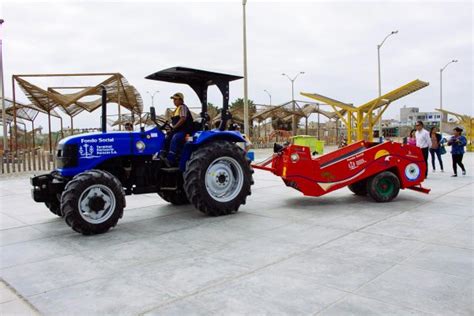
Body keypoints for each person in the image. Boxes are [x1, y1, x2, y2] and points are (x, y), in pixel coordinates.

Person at [160, 92, 194, 166]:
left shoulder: (183, 107)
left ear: (181, 100)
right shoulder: (176, 110)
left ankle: (170, 160)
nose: (174, 101)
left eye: (175, 99)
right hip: (177, 130)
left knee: (175, 138)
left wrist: (174, 127)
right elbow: (174, 122)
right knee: (166, 136)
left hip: (185, 131)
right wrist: (169, 128)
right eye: (173, 99)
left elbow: (183, 118)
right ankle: (162, 154)